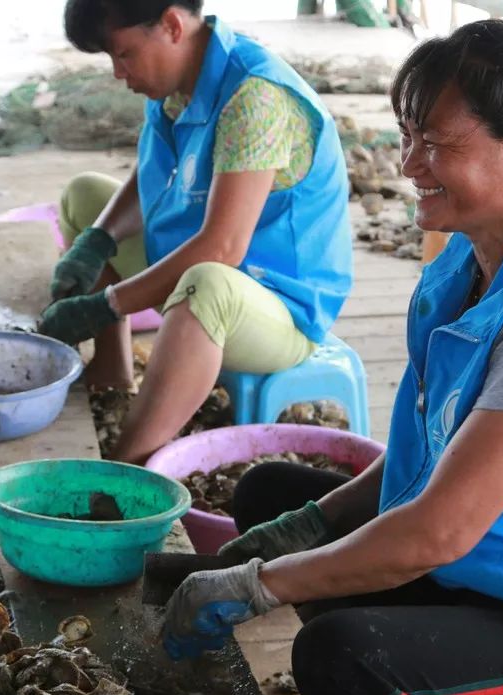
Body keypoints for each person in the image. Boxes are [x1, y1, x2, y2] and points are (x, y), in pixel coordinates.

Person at [161, 19, 503, 695]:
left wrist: (260, 584)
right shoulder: (472, 261)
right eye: (408, 136)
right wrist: (297, 530)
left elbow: (436, 532)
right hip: (499, 572)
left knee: (345, 658)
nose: (409, 164)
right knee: (270, 494)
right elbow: (428, 466)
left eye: (437, 144)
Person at [39, 0, 352, 464]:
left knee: (205, 284)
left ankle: (130, 463)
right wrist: (96, 242)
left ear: (170, 24)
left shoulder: (256, 96)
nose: (118, 73)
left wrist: (106, 304)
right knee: (85, 196)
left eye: (123, 54)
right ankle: (111, 372)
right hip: (196, 261)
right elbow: (149, 180)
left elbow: (223, 247)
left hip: (280, 306)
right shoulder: (177, 81)